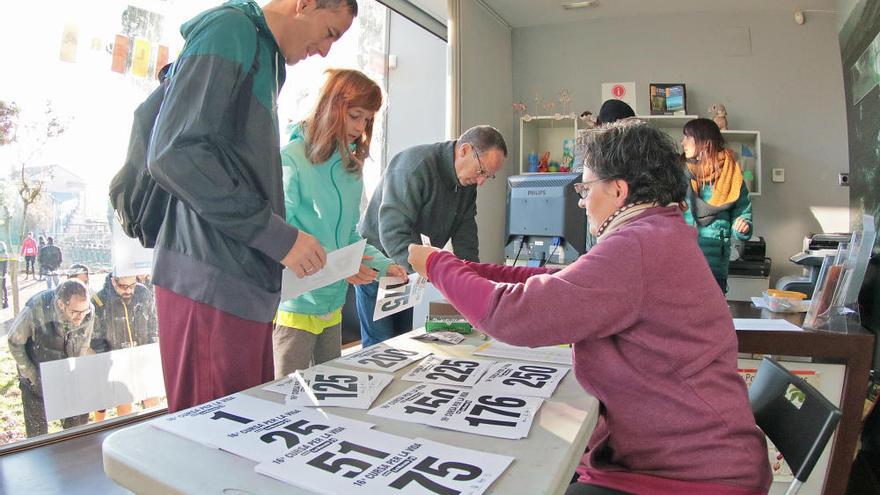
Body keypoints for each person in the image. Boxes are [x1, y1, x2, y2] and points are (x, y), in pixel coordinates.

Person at [408, 120, 771, 495]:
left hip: (686, 475)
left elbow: (513, 315)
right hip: (679, 455)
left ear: (618, 190)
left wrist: (436, 264)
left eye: (585, 187)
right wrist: (469, 269)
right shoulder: (656, 232)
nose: (581, 200)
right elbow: (562, 281)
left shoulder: (636, 246)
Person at [146, 0, 356, 412]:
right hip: (211, 275)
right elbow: (175, 153)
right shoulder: (231, 30)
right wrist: (279, 237)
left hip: (245, 281)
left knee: (247, 431)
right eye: (330, 32)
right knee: (212, 438)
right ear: (305, 4)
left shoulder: (266, 57)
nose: (326, 50)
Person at [274, 69, 407, 377]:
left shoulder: (351, 169)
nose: (361, 128)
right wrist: (343, 268)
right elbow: (285, 239)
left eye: (367, 120)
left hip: (331, 307)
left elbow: (348, 235)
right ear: (332, 107)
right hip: (296, 308)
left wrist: (386, 266)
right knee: (285, 401)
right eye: (355, 116)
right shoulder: (291, 159)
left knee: (331, 395)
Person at [356, 125, 508, 347]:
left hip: (409, 270)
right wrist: (431, 270)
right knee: (381, 346)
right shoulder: (414, 166)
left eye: (489, 176)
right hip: (379, 263)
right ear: (464, 150)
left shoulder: (466, 181)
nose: (482, 181)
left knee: (402, 341)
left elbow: (466, 234)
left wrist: (472, 283)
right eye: (482, 171)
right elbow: (392, 231)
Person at [7, 279, 94, 437]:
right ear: (61, 304)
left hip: (68, 376)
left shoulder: (87, 311)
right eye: (75, 312)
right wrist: (32, 374)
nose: (81, 317)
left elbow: (84, 344)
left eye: (85, 311)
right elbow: (14, 342)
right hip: (36, 375)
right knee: (37, 436)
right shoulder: (34, 309)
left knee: (77, 433)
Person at [681, 118, 752, 293]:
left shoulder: (732, 175)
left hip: (714, 266)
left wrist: (743, 226)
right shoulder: (679, 173)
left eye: (687, 137)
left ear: (704, 143)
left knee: (712, 318)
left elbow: (743, 213)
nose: (682, 142)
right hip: (681, 262)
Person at [90, 271, 160, 420]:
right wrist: (109, 362)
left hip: (144, 357)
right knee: (124, 407)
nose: (128, 290)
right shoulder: (99, 301)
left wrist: (152, 347)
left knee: (153, 404)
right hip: (117, 362)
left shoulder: (143, 292)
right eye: (123, 286)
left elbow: (153, 322)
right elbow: (96, 339)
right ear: (113, 281)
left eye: (132, 285)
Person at [0, 241, 9, 309]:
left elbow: (5, 266)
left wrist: (4, 273)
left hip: (2, 273)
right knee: (3, 286)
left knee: (3, 286)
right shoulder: (5, 255)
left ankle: (5, 302)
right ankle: (4, 301)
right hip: (3, 272)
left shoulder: (4, 255)